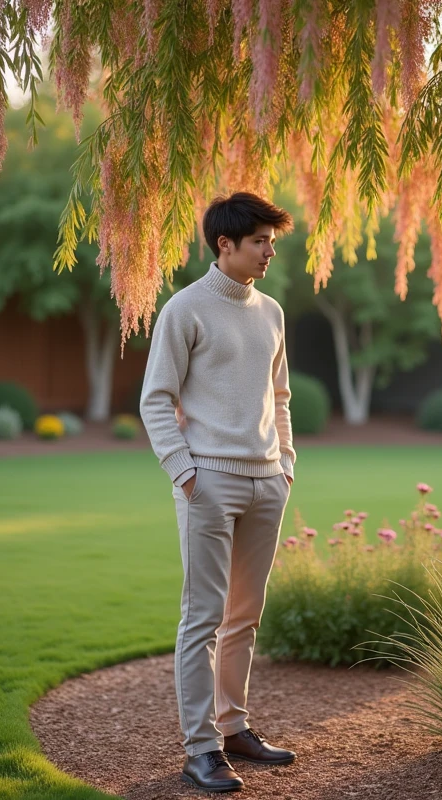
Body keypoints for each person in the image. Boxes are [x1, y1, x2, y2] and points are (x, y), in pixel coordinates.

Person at [139, 191, 299, 793]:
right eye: (259, 241)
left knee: (246, 616)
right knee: (202, 617)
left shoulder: (272, 312)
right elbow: (156, 398)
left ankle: (234, 728)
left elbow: (279, 398)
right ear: (224, 245)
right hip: (208, 480)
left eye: (272, 241)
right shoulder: (185, 309)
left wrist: (285, 463)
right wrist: (184, 470)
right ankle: (200, 750)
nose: (268, 251)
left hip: (266, 482)